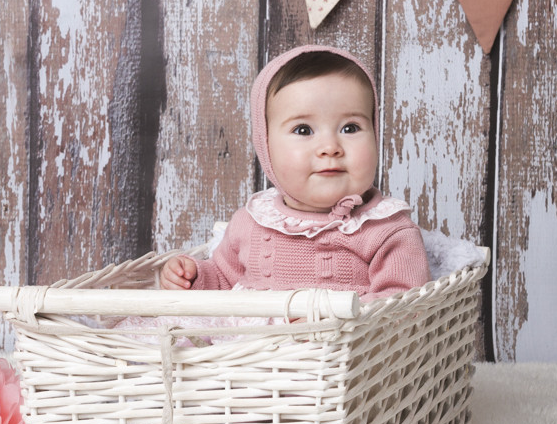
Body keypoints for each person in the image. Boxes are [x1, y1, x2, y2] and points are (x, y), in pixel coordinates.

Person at [160, 45, 430, 302]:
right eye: (303, 130)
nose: (329, 148)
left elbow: (404, 305)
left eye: (350, 128)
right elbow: (223, 279)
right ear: (266, 145)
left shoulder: (387, 230)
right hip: (248, 348)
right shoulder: (252, 221)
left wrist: (341, 319)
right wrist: (194, 277)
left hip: (335, 348)